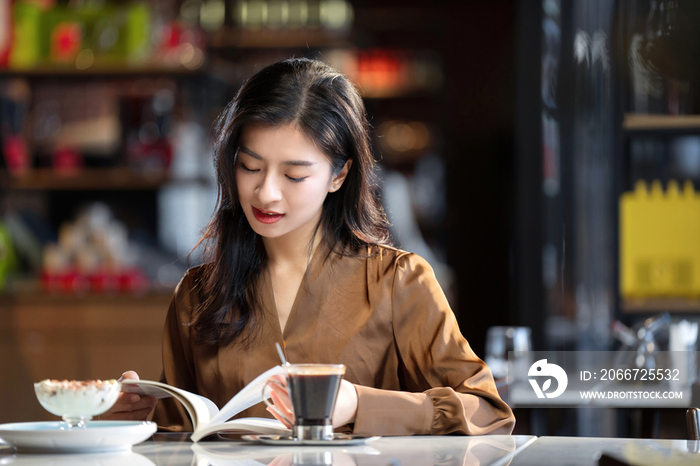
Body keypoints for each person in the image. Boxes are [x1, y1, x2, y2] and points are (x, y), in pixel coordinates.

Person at [101, 58, 515, 436]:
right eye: (250, 167)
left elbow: (488, 412)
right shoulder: (197, 294)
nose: (266, 193)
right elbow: (181, 434)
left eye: (294, 175)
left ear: (339, 175)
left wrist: (358, 404)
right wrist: (139, 419)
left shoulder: (397, 283)